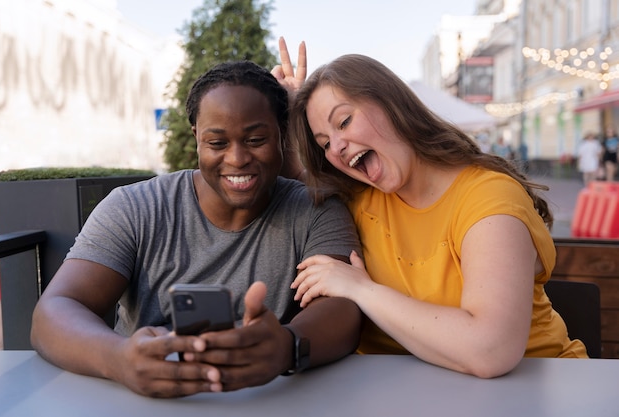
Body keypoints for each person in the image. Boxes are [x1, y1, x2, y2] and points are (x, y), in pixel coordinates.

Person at [30, 60, 363, 398]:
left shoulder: (317, 209)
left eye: (256, 139)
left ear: (282, 133)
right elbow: (55, 310)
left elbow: (342, 308)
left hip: (269, 399)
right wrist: (118, 359)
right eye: (217, 143)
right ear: (196, 138)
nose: (236, 158)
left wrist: (287, 346)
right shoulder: (134, 207)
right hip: (144, 401)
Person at [274, 45, 587, 379]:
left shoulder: (488, 196)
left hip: (530, 391)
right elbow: (283, 177)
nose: (336, 147)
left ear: (391, 103)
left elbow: (490, 350)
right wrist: (284, 113)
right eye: (324, 142)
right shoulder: (359, 197)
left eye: (344, 121)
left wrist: (359, 289)